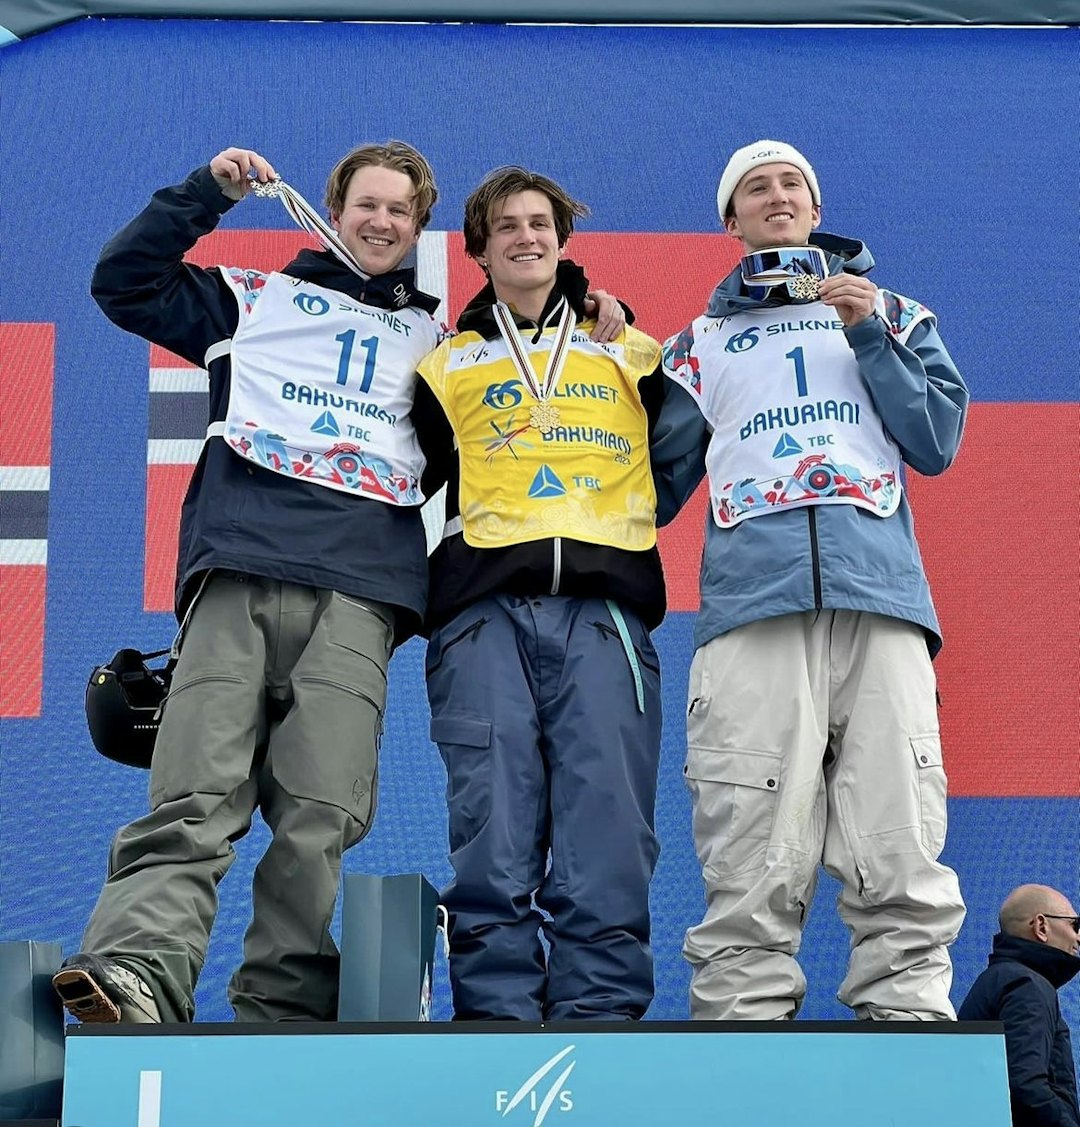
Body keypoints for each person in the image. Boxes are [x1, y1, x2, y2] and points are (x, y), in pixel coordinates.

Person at [52, 141, 448, 1024]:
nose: (381, 221)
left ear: (419, 228)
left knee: (320, 815)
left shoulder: (441, 348)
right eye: (367, 204)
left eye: (400, 210)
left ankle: (284, 1009)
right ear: (334, 211)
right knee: (194, 794)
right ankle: (140, 971)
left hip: (358, 595)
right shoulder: (253, 299)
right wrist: (207, 192)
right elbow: (123, 281)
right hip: (239, 569)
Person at [657, 139, 968, 1020]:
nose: (777, 195)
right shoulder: (699, 344)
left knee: (896, 823)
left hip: (882, 601)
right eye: (755, 187)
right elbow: (650, 483)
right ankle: (743, 1028)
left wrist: (867, 332)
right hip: (754, 608)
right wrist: (608, 369)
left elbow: (935, 440)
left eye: (792, 182)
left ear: (816, 207)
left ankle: (909, 1019)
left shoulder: (897, 315)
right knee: (750, 835)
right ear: (732, 221)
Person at [412, 167, 669, 1021]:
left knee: (609, 834)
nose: (526, 236)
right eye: (506, 226)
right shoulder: (443, 365)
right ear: (478, 251)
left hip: (604, 618)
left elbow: (678, 460)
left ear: (563, 242)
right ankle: (498, 1024)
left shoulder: (632, 350)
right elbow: (399, 482)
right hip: (482, 617)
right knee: (491, 832)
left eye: (541, 224)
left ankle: (599, 1023)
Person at [959, 885, 1080, 1126]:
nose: (1078, 937)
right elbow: (1025, 1086)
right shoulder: (1027, 985)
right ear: (1041, 927)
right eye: (1075, 925)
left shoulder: (999, 979)